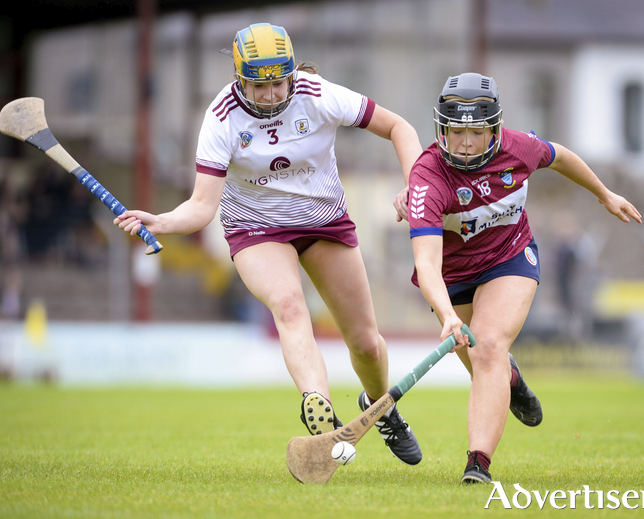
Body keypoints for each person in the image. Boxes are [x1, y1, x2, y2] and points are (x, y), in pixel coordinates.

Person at [115, 23, 424, 465]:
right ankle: (319, 412)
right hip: (257, 228)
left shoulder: (317, 94)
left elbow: (400, 127)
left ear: (290, 73)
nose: (271, 95)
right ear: (240, 78)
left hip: (324, 221)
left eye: (279, 83)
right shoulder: (222, 117)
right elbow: (202, 207)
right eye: (259, 86)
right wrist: (162, 220)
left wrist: (416, 187)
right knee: (289, 305)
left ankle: (382, 408)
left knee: (366, 344)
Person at [396, 72, 642, 483]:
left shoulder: (518, 147)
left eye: (476, 132)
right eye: (456, 131)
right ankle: (512, 379)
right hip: (451, 277)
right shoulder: (427, 179)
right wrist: (447, 315)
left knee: (488, 346)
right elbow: (426, 263)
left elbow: (560, 155)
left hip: (508, 258)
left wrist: (604, 194)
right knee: (485, 365)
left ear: (494, 128)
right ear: (441, 128)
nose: (466, 143)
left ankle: (478, 464)